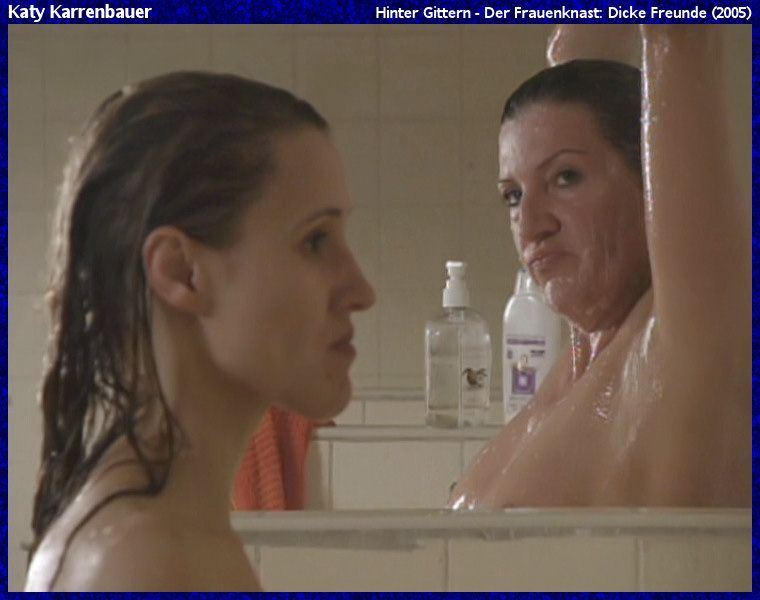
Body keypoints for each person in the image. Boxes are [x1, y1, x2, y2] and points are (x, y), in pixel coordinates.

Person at [24, 71, 375, 591]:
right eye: (315, 240)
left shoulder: (167, 534)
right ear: (181, 272)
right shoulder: (141, 561)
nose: (362, 290)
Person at [450, 25, 750, 508]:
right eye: (513, 195)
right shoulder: (579, 365)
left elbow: (680, 34)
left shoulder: (681, 350)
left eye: (566, 177)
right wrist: (572, 47)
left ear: (652, 187)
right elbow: (580, 69)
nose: (531, 225)